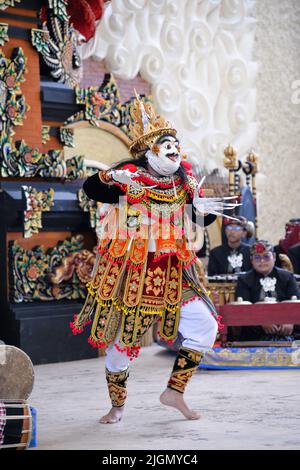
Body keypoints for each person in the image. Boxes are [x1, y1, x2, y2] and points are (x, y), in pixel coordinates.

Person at [71, 96, 236, 423]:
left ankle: (175, 391)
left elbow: (199, 219)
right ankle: (117, 406)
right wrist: (110, 180)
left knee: (204, 325)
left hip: (174, 273)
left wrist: (205, 212)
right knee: (120, 345)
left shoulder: (183, 180)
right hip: (133, 274)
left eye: (176, 143)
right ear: (149, 152)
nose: (174, 148)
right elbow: (91, 188)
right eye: (167, 144)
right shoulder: (128, 175)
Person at [236, 240, 300, 341]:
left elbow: (296, 304)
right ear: (251, 260)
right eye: (257, 257)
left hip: (286, 327)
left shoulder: (287, 277)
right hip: (256, 330)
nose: (262, 261)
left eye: (266, 257)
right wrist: (262, 320)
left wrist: (290, 321)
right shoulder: (244, 280)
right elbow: (244, 309)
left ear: (274, 257)